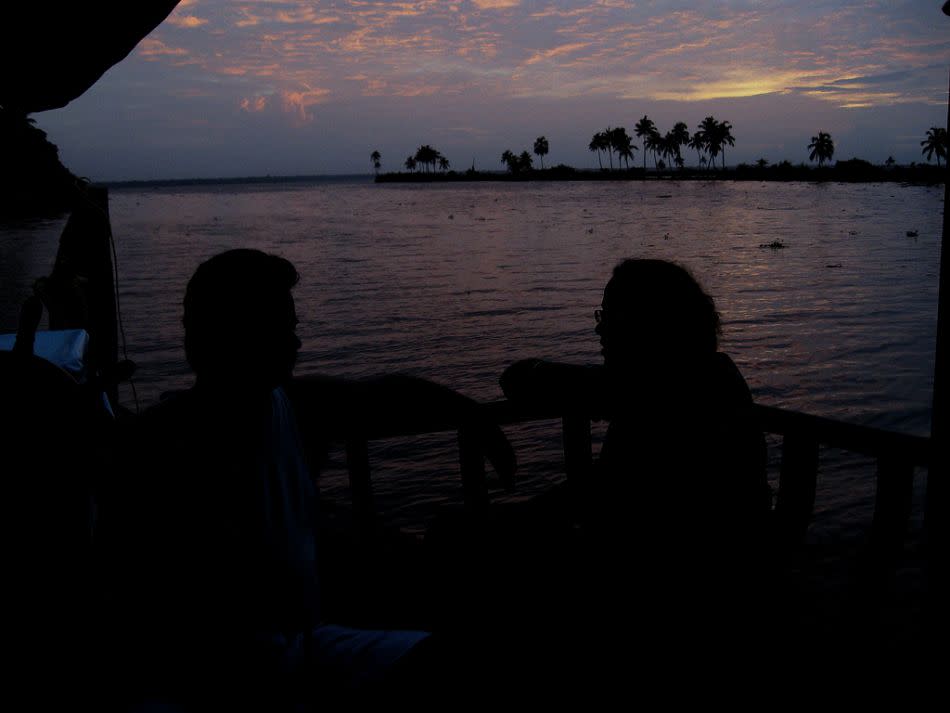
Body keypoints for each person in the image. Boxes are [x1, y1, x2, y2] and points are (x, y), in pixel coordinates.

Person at [96, 249, 515, 710]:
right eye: (283, 329)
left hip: (304, 647)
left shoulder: (285, 405)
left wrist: (471, 415)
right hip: (213, 680)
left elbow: (381, 394)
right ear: (236, 336)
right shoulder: (160, 445)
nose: (296, 343)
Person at [500, 258, 772, 668]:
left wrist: (516, 521)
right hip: (703, 582)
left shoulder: (669, 388)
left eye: (609, 316)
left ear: (650, 323)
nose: (599, 328)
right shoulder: (707, 378)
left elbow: (522, 381)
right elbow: (610, 486)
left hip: (670, 601)